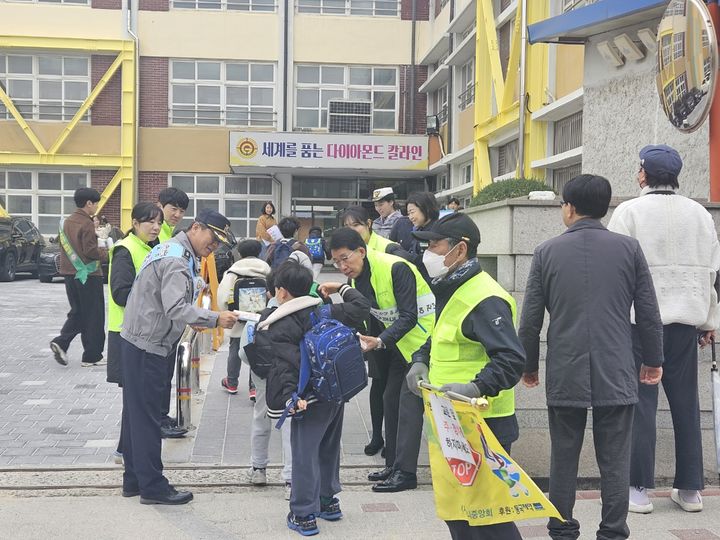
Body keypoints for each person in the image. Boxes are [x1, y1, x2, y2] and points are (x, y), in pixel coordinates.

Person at [518, 174, 664, 540]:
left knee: (564, 454)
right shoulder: (629, 249)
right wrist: (653, 359)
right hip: (616, 364)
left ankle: (562, 527)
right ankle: (613, 530)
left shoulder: (546, 252)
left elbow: (531, 318)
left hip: (566, 365)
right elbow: (648, 312)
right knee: (615, 456)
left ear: (569, 207)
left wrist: (529, 366)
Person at [607, 144, 720, 514]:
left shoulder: (628, 212)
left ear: (643, 174)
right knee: (687, 404)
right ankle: (690, 491)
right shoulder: (700, 214)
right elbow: (713, 272)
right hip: (687, 322)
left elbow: (618, 271)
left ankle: (639, 490)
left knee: (641, 405)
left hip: (641, 324)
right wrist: (709, 321)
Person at [406, 211, 526, 540]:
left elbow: (512, 360)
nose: (427, 254)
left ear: (460, 250)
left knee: (489, 518)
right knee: (458, 511)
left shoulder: (484, 297)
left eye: (434, 246)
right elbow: (440, 337)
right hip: (450, 421)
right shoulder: (452, 286)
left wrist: (475, 387)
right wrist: (420, 360)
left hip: (482, 424)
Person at [119, 208, 239, 505]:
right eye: (213, 238)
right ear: (196, 227)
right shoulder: (176, 259)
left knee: (136, 417)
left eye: (220, 243)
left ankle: (134, 479)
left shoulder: (171, 249)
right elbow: (175, 308)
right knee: (148, 420)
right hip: (149, 346)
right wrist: (214, 318)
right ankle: (153, 487)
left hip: (138, 341)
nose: (215, 246)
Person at [248, 261, 370, 536]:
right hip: (336, 392)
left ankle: (303, 514)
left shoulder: (280, 322)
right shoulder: (324, 309)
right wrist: (341, 287)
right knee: (328, 448)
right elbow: (363, 307)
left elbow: (286, 363)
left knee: (304, 454)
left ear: (280, 292)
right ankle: (328, 502)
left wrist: (293, 396)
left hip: (308, 398)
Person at [329, 227, 435, 493]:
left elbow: (409, 316)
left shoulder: (396, 267)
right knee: (390, 399)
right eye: (336, 261)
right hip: (399, 345)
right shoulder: (357, 276)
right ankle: (393, 466)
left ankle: (406, 473)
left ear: (361, 251)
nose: (342, 266)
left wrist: (380, 341)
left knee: (408, 406)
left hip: (424, 343)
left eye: (345, 258)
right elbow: (372, 314)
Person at [341, 205, 411, 456]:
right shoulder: (348, 256)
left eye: (357, 225)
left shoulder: (389, 250)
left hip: (399, 332)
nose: (353, 231)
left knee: (392, 394)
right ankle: (377, 436)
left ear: (369, 224)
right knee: (377, 385)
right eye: (348, 227)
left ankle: (393, 446)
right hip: (373, 330)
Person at [106, 202, 164, 464]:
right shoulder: (125, 250)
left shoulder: (151, 248)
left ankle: (124, 449)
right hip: (125, 333)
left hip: (142, 333)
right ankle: (125, 451)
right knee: (133, 397)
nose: (155, 227)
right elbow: (120, 293)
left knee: (136, 397)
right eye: (149, 222)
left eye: (158, 222)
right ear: (135, 223)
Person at [242, 269, 293, 499]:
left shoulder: (258, 317)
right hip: (288, 378)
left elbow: (244, 353)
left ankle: (258, 469)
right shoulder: (297, 315)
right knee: (290, 425)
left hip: (262, 377)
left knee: (260, 419)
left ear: (269, 291)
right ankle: (291, 480)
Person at [50, 187, 109, 368]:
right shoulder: (86, 223)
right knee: (94, 315)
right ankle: (83, 351)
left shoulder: (66, 222)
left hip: (69, 274)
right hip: (88, 274)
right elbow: (90, 251)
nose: (97, 206)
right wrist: (108, 250)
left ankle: (88, 354)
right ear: (88, 203)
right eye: (96, 203)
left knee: (79, 311)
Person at [156, 186, 192, 438]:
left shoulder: (169, 235)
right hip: (149, 325)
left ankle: (160, 417)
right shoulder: (155, 236)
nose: (177, 214)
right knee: (151, 382)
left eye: (181, 210)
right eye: (173, 208)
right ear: (160, 205)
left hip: (165, 323)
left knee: (162, 377)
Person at [217, 239, 271, 401]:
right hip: (260, 318)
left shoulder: (233, 272)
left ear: (239, 253)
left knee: (234, 350)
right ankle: (253, 388)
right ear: (259, 252)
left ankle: (232, 383)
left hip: (238, 318)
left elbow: (222, 297)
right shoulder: (267, 270)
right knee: (256, 350)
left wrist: (227, 312)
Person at [390, 191, 440, 282]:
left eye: (412, 212)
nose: (410, 217)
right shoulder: (420, 229)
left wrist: (408, 257)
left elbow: (434, 261)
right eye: (408, 214)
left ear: (426, 209)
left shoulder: (436, 231)